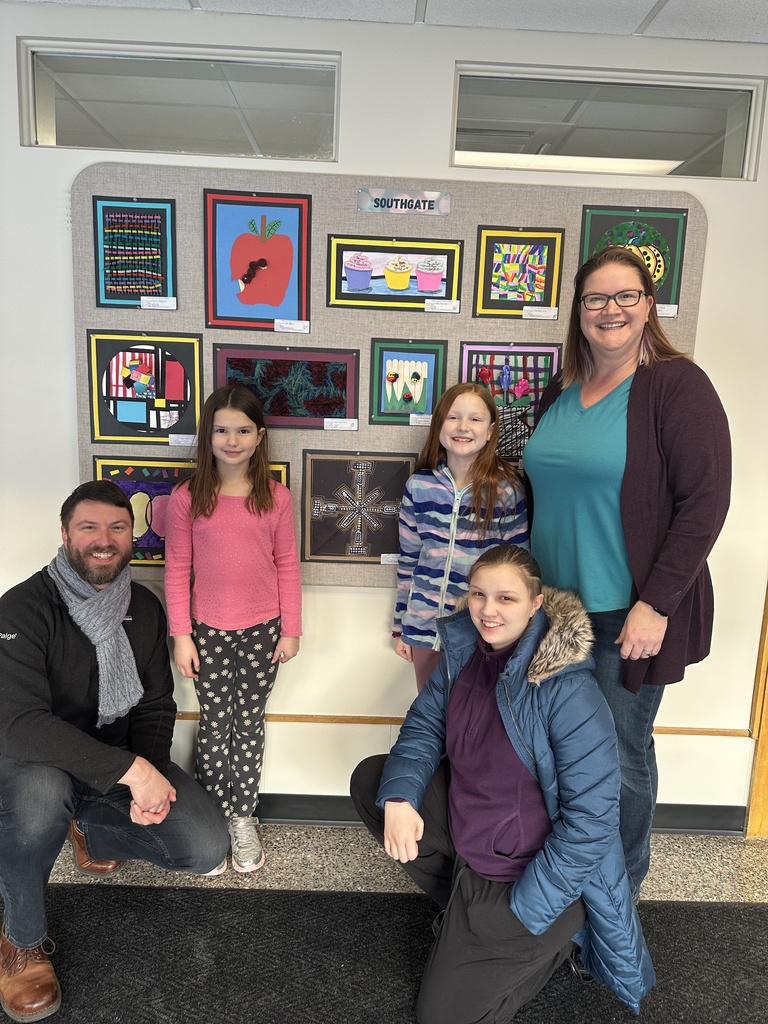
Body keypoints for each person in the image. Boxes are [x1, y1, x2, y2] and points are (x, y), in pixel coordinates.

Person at [352, 545, 654, 1023]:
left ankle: (549, 936)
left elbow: (592, 824)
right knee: (375, 782)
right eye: (478, 595)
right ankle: (468, 918)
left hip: (532, 877)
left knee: (441, 1017)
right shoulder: (465, 655)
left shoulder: (568, 688)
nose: (488, 611)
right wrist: (399, 798)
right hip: (475, 842)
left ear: (536, 604)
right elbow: (424, 727)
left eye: (506, 599)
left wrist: (524, 910)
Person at [523, 246, 731, 900]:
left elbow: (706, 501)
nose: (610, 309)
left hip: (625, 613)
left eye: (625, 296)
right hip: (555, 613)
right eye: (595, 299)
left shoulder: (675, 385)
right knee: (558, 753)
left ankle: (616, 900)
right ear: (578, 312)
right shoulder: (557, 393)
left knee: (617, 762)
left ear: (648, 306)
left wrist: (658, 604)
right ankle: (566, 881)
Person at [0, 481, 229, 1023]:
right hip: (38, 767)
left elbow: (154, 704)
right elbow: (18, 724)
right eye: (89, 527)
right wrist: (131, 770)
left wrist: (143, 777)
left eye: (117, 528)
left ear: (133, 535)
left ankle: (85, 827)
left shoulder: (143, 607)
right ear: (64, 534)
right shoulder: (23, 608)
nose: (104, 540)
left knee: (204, 845)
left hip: (115, 768)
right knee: (40, 795)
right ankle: (20, 939)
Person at [164, 385, 301, 874]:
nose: (232, 439)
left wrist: (291, 630)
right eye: (221, 430)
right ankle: (211, 821)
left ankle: (242, 816)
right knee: (214, 724)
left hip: (264, 630)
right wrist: (181, 634)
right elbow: (177, 568)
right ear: (208, 436)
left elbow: (287, 563)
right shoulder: (187, 498)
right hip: (207, 631)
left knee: (249, 724)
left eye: (243, 430)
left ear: (260, 436)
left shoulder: (276, 497)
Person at [392, 382, 528, 690]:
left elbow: (519, 569)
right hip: (425, 628)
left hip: (482, 631)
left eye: (475, 419)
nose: (463, 427)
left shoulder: (507, 490)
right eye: (453, 417)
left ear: (491, 430)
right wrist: (402, 625)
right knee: (432, 723)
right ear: (439, 424)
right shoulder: (418, 486)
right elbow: (409, 561)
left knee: (472, 727)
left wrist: (515, 634)